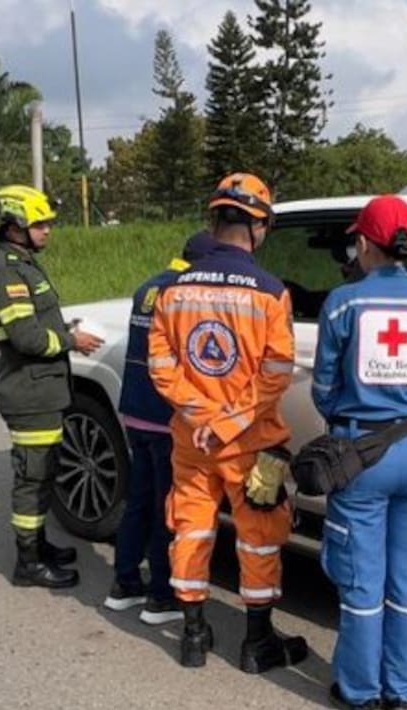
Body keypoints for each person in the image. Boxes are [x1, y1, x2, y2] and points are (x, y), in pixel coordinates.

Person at [148, 173, 307, 672]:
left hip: (192, 440)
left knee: (191, 528)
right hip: (251, 443)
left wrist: (200, 414)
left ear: (213, 220)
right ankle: (257, 643)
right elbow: (276, 372)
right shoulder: (270, 292)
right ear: (259, 228)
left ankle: (194, 635)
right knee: (258, 535)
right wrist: (229, 420)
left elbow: (160, 366)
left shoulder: (173, 289)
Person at [312, 194, 407, 710]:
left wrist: (349, 413)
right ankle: (402, 693)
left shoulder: (344, 303)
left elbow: (324, 388)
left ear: (365, 243)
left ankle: (360, 693)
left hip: (363, 455)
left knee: (361, 580)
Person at [0, 184, 103, 589]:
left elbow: (36, 323)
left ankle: (40, 545)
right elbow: (27, 340)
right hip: (29, 392)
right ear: (15, 225)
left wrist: (62, 330)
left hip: (43, 389)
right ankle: (27, 563)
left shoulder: (23, 262)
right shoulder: (7, 270)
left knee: (46, 473)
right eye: (40, 224)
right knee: (32, 479)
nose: (48, 230)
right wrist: (72, 341)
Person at [104, 231, 218, 625]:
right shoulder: (185, 293)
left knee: (138, 500)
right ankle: (160, 596)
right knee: (166, 508)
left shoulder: (148, 287)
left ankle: (124, 584)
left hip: (135, 410)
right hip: (166, 418)